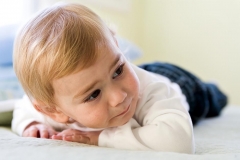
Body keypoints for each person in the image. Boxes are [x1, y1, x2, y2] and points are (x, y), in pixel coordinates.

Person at [11, 3, 227, 153]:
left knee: (210, 99)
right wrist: (31, 125)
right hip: (140, 73)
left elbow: (179, 142)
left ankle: (214, 89)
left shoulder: (154, 90)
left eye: (118, 70)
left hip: (177, 82)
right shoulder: (52, 106)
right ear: (54, 111)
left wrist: (100, 138)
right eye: (93, 94)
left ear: (116, 44)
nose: (119, 97)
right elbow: (23, 109)